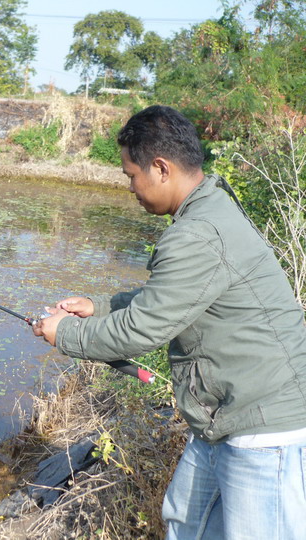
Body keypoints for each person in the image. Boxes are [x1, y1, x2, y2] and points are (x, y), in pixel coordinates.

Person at [32, 105, 306, 540]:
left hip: (262, 424)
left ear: (160, 168)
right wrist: (100, 306)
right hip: (223, 416)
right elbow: (176, 299)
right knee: (185, 523)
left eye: (130, 174)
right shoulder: (210, 207)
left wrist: (65, 333)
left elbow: (144, 329)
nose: (129, 187)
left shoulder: (197, 233)